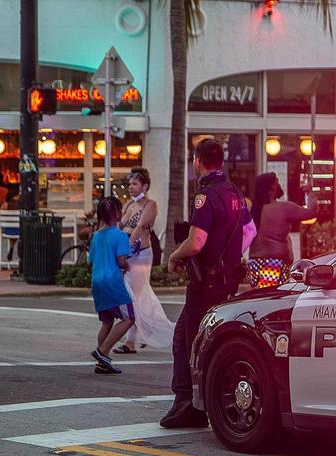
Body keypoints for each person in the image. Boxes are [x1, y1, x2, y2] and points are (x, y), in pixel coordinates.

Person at [160, 138, 257, 428]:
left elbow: (196, 241)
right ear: (222, 162)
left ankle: (191, 404)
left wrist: (174, 257)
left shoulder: (206, 196)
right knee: (190, 336)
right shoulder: (235, 194)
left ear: (197, 161)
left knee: (191, 341)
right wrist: (229, 257)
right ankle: (190, 400)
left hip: (205, 283)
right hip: (226, 280)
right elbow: (250, 230)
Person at [115, 168, 174, 353]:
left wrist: (125, 251)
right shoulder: (127, 205)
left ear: (145, 186)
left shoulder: (150, 205)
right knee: (131, 296)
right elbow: (119, 227)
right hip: (126, 255)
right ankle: (142, 331)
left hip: (140, 256)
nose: (130, 187)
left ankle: (130, 342)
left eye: (135, 184)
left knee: (134, 297)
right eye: (129, 184)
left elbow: (139, 229)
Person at [88, 196, 135, 375]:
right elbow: (121, 259)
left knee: (106, 321)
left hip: (97, 282)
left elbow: (91, 260)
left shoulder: (96, 236)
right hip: (112, 281)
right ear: (117, 213)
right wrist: (125, 266)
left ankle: (102, 362)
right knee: (129, 318)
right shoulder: (120, 235)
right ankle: (103, 352)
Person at [247, 172, 316, 289]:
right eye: (277, 182)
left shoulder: (254, 211)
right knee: (270, 301)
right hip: (271, 265)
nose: (279, 185)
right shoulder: (283, 208)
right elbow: (311, 212)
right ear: (273, 187)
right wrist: (310, 192)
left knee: (260, 299)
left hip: (254, 264)